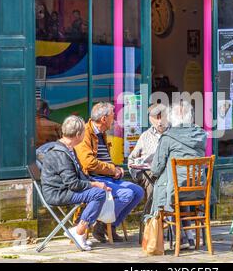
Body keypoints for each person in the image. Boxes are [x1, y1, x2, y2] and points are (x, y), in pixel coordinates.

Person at [75, 102, 144, 243]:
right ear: (104, 119)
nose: (115, 119)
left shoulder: (102, 133)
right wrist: (112, 169)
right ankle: (101, 224)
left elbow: (103, 158)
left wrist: (115, 169)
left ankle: (109, 226)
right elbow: (88, 163)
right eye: (113, 116)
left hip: (108, 177)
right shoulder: (85, 133)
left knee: (138, 192)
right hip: (93, 179)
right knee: (127, 194)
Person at [40, 115, 112, 251]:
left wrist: (94, 182)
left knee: (99, 191)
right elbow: (73, 184)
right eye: (83, 133)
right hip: (58, 193)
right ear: (78, 134)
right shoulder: (61, 153)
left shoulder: (68, 149)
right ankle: (79, 231)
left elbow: (80, 176)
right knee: (98, 194)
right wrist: (95, 185)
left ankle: (79, 231)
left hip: (64, 189)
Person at [150, 101, 207, 250]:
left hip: (176, 191)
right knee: (179, 186)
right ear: (190, 116)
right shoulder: (201, 135)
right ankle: (189, 237)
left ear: (171, 118)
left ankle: (180, 238)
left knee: (169, 189)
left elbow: (155, 169)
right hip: (199, 190)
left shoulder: (167, 137)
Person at [128, 103, 169, 217]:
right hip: (150, 174)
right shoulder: (145, 136)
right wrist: (137, 170)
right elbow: (132, 159)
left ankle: (166, 222)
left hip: (170, 175)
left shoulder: (173, 134)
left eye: (162, 117)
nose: (160, 121)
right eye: (157, 118)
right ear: (151, 119)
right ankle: (154, 220)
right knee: (153, 182)